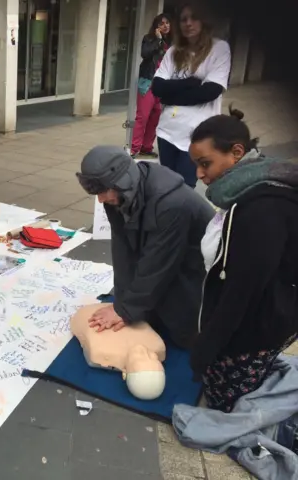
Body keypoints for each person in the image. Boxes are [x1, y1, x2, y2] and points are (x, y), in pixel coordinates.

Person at [188, 108, 298, 413]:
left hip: (253, 331)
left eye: (205, 163)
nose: (199, 174)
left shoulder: (261, 209)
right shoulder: (247, 191)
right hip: (255, 321)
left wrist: (207, 346)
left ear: (236, 152)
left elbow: (243, 292)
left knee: (226, 403)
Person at [76, 145, 214, 348]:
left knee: (186, 339)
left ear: (123, 181)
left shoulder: (172, 203)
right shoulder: (119, 194)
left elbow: (158, 263)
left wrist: (126, 310)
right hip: (166, 258)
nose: (101, 199)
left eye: (103, 191)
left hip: (196, 270)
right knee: (141, 316)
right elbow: (122, 250)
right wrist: (121, 303)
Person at [151, 2, 231, 188]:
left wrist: (170, 95)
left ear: (204, 21)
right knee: (166, 186)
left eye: (194, 18)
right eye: (183, 19)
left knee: (184, 188)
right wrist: (190, 83)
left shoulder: (219, 49)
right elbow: (157, 87)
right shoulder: (173, 51)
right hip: (167, 131)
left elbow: (210, 92)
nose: (188, 23)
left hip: (196, 135)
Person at [130, 14, 172, 158]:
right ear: (156, 27)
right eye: (162, 23)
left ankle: (146, 147)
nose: (165, 25)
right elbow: (145, 54)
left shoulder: (171, 43)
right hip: (147, 82)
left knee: (155, 118)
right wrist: (158, 40)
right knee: (142, 117)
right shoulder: (149, 39)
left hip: (162, 85)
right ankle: (135, 148)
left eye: (167, 23)